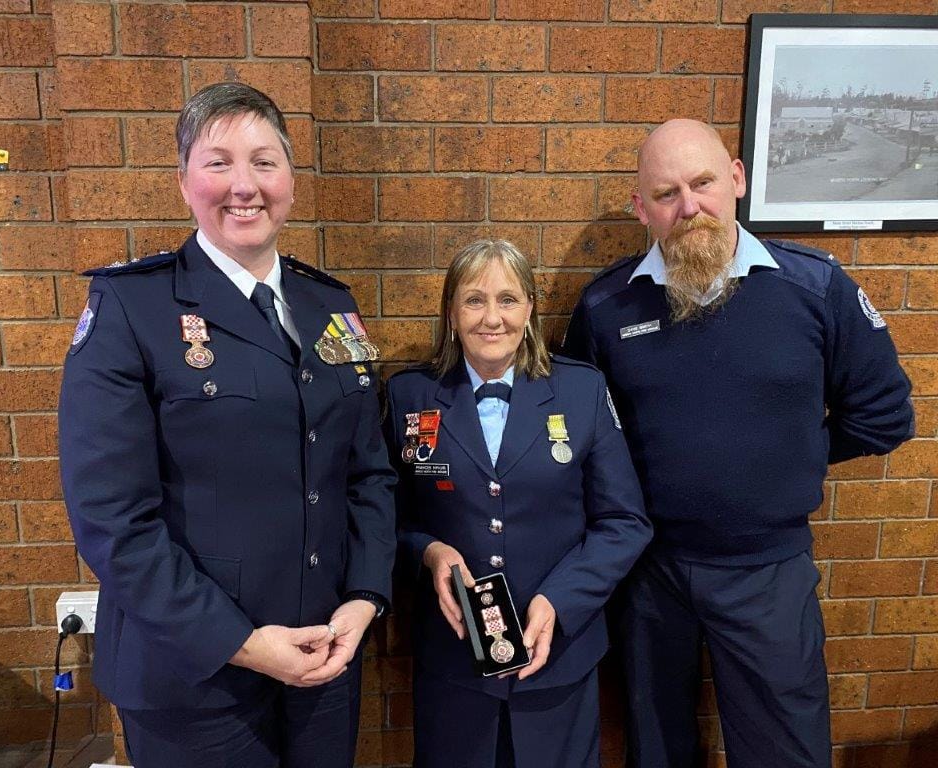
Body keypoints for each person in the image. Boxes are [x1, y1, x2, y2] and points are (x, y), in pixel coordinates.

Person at [58, 82, 396, 768]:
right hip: (195, 679)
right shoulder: (133, 307)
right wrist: (242, 644)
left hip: (323, 659)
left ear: (291, 181)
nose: (244, 185)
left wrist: (364, 598)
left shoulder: (331, 305)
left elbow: (369, 473)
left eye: (264, 162)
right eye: (218, 163)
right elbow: (113, 519)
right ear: (184, 181)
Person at [563, 119, 915, 768]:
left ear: (737, 178)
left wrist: (788, 452)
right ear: (642, 209)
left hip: (768, 572)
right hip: (648, 573)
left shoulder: (815, 288)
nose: (689, 206)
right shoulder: (606, 306)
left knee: (785, 751)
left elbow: (886, 417)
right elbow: (584, 437)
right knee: (657, 749)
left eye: (702, 183)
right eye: (666, 194)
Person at [385, 239, 651, 768]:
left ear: (529, 308)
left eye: (507, 300)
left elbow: (624, 522)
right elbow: (386, 517)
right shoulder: (409, 396)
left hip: (560, 657)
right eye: (474, 300)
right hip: (454, 660)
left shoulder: (580, 391)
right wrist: (428, 551)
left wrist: (560, 600)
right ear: (452, 312)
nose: (492, 318)